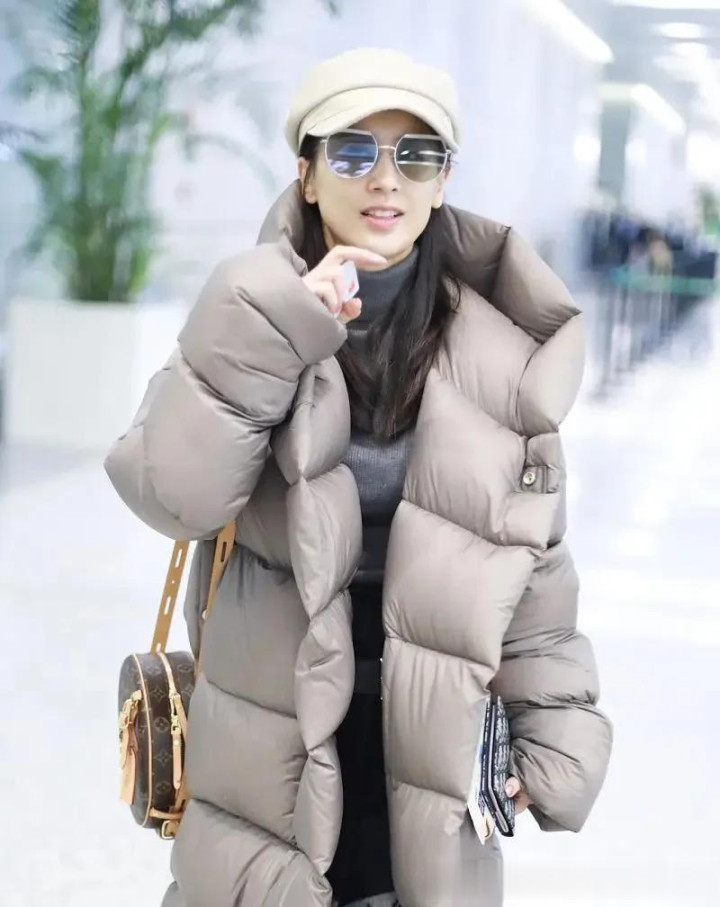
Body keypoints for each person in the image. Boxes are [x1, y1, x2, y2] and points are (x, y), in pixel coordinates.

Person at [105, 47, 613, 907]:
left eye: (417, 154)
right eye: (352, 150)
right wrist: (280, 332)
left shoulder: (499, 351)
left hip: (433, 720)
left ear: (443, 181)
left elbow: (533, 561)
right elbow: (174, 494)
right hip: (270, 718)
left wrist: (557, 721)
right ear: (306, 174)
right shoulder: (250, 307)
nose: (386, 178)